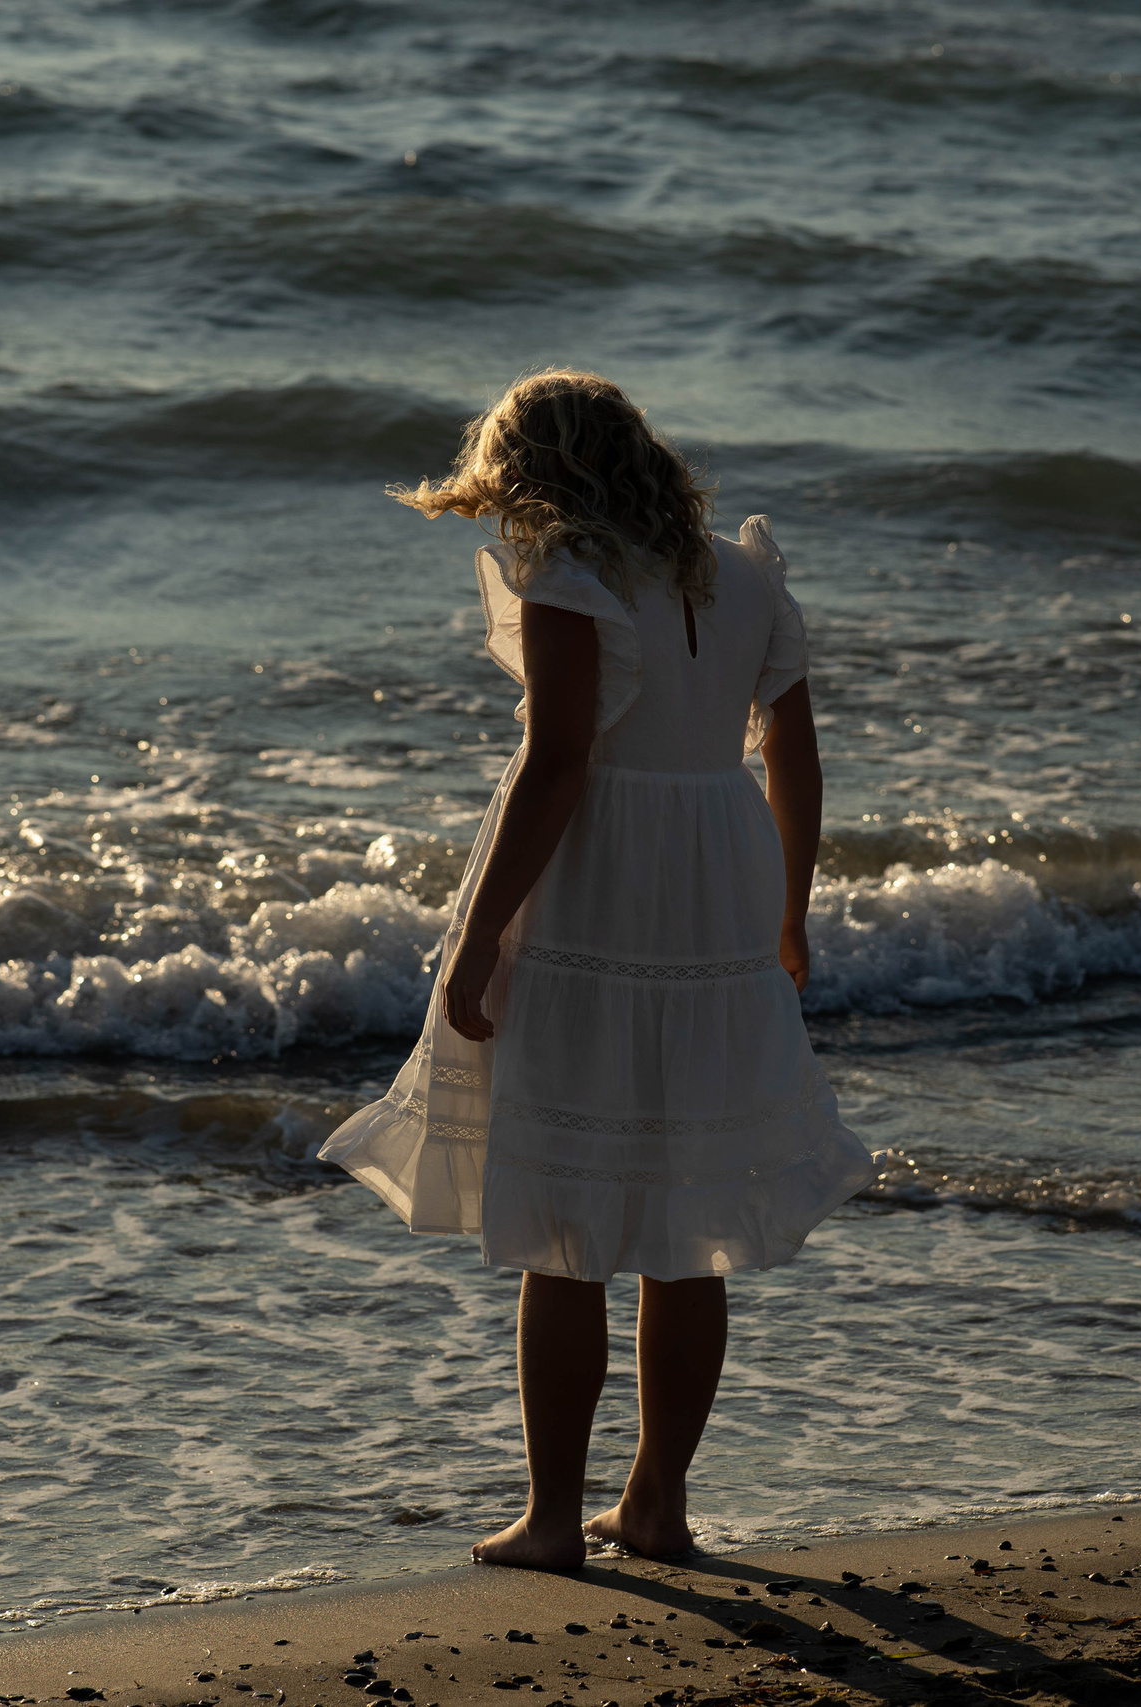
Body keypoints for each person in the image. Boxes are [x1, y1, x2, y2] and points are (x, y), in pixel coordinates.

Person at [318, 370, 878, 1572]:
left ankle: (557, 1519)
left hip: (599, 878)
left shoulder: (572, 573)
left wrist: (475, 937)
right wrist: (790, 907)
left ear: (533, 478)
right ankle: (660, 1506)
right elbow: (794, 752)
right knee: (687, 1214)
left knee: (564, 1217)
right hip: (720, 877)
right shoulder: (740, 574)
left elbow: (558, 764)